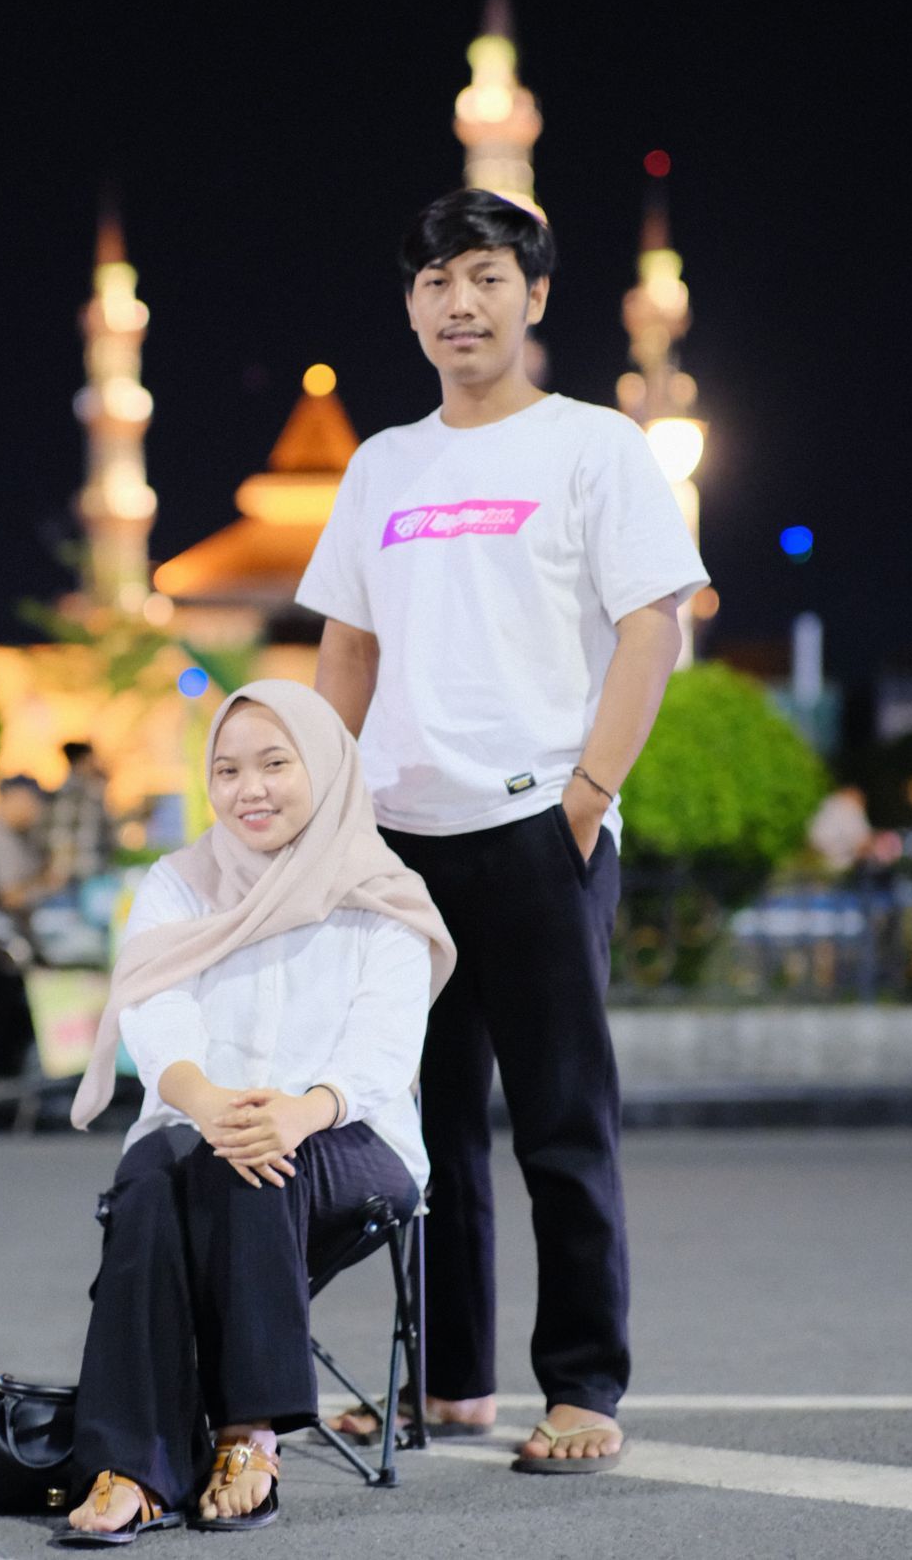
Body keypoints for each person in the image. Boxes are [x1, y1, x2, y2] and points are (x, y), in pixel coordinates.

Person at [297, 188, 709, 1472]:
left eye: (485, 278)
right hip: (398, 842)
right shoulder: (384, 464)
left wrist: (586, 796)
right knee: (417, 1132)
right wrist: (328, 815)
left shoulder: (592, 446)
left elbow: (653, 627)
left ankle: (582, 1385)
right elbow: (348, 650)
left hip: (539, 830)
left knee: (560, 1124)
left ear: (534, 297)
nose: (459, 303)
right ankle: (451, 1381)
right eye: (436, 281)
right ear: (410, 305)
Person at [60, 680, 453, 1541]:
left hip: (351, 1135)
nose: (251, 789)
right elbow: (155, 1009)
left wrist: (305, 1109)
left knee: (246, 1165)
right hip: (200, 1120)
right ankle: (134, 1464)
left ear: (326, 767)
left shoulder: (382, 889)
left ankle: (246, 1431)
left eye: (276, 763)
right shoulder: (179, 883)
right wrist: (206, 1100)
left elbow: (387, 1043)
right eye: (228, 770)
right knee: (153, 1177)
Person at [0, 775, 62, 1078]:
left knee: (15, 1028)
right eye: (32, 802)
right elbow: (11, 896)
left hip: (7, 949)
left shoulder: (18, 836)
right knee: (6, 1029)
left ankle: (11, 1089)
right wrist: (49, 883)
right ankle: (2, 1094)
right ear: (13, 799)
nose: (37, 810)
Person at [45, 742, 115, 884]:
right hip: (75, 874)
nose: (95, 764)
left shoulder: (91, 790)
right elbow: (62, 836)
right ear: (82, 761)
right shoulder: (69, 795)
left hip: (90, 870)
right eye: (91, 759)